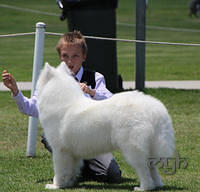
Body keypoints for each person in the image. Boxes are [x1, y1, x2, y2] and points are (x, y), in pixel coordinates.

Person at [2, 31, 121, 183]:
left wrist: (91, 92)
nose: (70, 61)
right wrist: (16, 91)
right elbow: (32, 108)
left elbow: (112, 102)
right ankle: (70, 167)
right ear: (60, 57)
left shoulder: (95, 78)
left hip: (92, 138)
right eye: (65, 56)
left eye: (75, 56)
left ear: (84, 56)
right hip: (63, 136)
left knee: (113, 176)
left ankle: (77, 168)